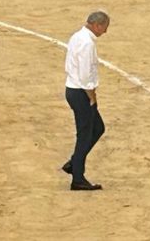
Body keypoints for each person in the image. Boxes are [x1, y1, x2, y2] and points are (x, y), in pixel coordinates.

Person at [61, 11, 110, 190]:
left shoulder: (77, 36)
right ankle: (78, 178)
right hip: (81, 92)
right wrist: (92, 97)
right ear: (97, 25)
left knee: (98, 128)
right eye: (104, 27)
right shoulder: (87, 43)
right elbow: (84, 75)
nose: (105, 32)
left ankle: (74, 164)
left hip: (73, 89)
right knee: (85, 135)